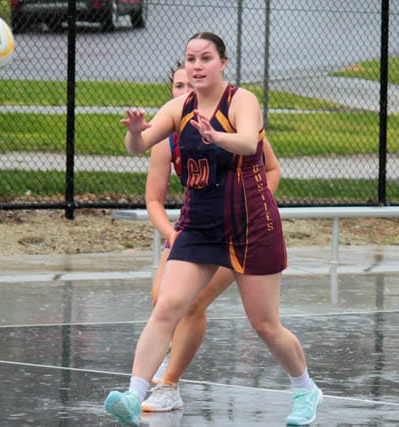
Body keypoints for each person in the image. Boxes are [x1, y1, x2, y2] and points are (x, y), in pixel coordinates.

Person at [104, 32, 321, 426]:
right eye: (191, 59)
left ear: (223, 62)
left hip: (250, 224)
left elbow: (248, 143)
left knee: (265, 325)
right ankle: (134, 395)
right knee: (167, 305)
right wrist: (135, 131)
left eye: (205, 58)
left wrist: (215, 136)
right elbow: (138, 146)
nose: (197, 66)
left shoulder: (241, 100)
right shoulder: (178, 107)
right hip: (199, 224)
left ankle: (305, 389)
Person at [142, 61, 282, 413]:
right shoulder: (168, 135)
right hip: (196, 228)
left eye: (190, 85)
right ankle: (150, 373)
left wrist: (253, 206)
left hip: (239, 228)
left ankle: (169, 383)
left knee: (195, 304)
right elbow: (154, 200)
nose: (186, 90)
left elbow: (271, 168)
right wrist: (172, 234)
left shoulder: (233, 120)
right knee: (162, 300)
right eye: (179, 85)